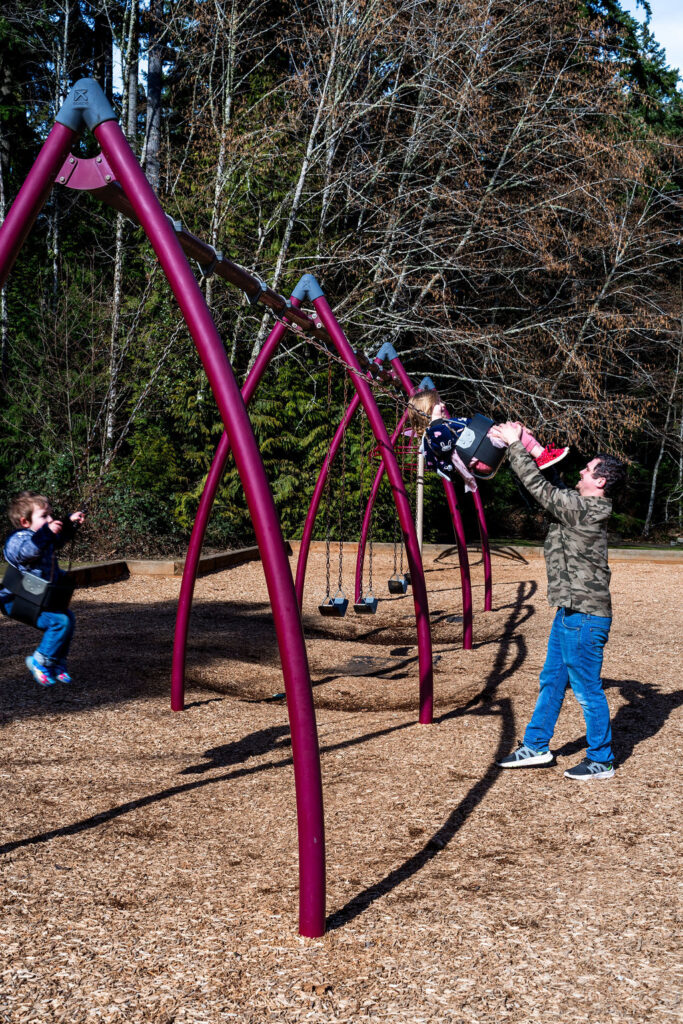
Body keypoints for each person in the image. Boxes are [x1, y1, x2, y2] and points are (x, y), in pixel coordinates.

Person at [492, 423, 628, 780]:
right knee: (552, 679)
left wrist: (513, 446)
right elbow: (554, 484)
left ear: (600, 482)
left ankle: (601, 759)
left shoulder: (584, 510)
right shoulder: (582, 505)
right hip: (570, 613)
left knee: (586, 690)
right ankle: (536, 747)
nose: (581, 471)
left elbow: (540, 489)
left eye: (587, 469)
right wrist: (530, 444)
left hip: (585, 617)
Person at [407, 389, 569, 492]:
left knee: (514, 429)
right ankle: (541, 455)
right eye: (437, 403)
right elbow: (444, 445)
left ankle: (539, 453)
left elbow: (474, 429)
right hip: (477, 455)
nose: (443, 404)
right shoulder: (434, 432)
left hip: (479, 451)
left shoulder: (445, 426)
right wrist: (435, 421)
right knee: (511, 430)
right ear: (427, 410)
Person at [1, 491, 85, 687]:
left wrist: (69, 522)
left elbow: (58, 539)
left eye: (51, 515)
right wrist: (48, 532)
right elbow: (27, 552)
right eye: (44, 516)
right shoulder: (18, 539)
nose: (50, 519)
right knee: (60, 621)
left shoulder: (42, 537)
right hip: (16, 600)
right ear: (24, 522)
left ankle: (57, 663)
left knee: (68, 618)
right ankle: (40, 661)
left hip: (36, 599)